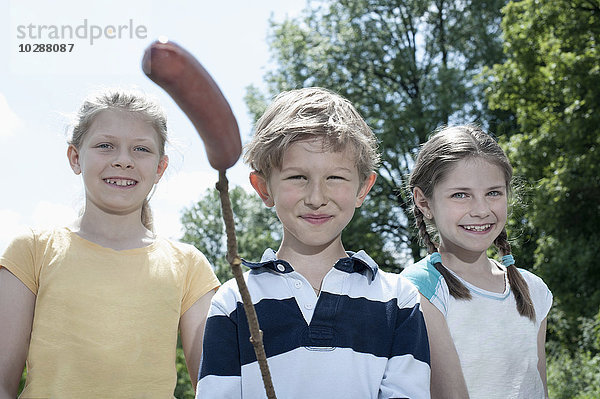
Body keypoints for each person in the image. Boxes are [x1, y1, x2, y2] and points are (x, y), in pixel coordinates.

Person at [196, 87, 431, 399]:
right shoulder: (233, 302)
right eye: (297, 177)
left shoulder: (398, 300)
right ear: (264, 188)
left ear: (363, 188)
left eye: (335, 178)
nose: (317, 198)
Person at [0, 89, 220, 398]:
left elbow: (214, 386)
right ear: (75, 158)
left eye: (141, 149)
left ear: (159, 168)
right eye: (106, 146)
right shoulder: (32, 251)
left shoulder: (189, 265)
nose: (123, 161)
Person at [401, 125, 553, 399]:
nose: (482, 210)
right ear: (424, 202)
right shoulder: (417, 289)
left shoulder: (534, 289)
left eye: (493, 193)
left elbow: (538, 387)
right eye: (461, 194)